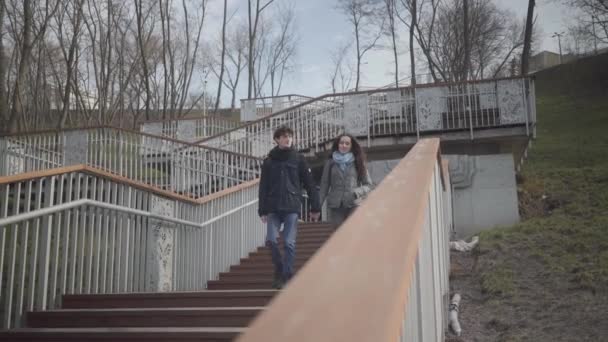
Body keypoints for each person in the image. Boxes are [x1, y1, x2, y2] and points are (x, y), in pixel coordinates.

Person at [258, 126, 321, 289]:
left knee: (288, 242)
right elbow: (263, 186)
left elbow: (309, 184)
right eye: (284, 137)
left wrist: (315, 207)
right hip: (273, 207)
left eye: (290, 137)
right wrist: (262, 209)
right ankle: (279, 269)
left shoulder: (298, 159)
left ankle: (286, 275)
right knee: (271, 240)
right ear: (277, 139)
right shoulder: (269, 161)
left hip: (291, 206)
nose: (288, 139)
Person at [319, 134, 373, 227]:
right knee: (337, 234)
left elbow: (369, 185)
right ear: (337, 145)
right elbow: (324, 185)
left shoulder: (358, 161)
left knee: (352, 232)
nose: (344, 145)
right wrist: (317, 207)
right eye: (341, 143)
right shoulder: (330, 163)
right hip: (336, 206)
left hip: (354, 204)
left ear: (351, 146)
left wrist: (357, 192)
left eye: (347, 143)